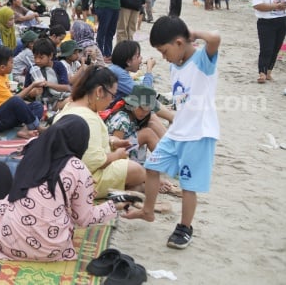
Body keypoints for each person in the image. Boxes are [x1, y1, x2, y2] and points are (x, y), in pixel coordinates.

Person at [124, 16, 221, 250]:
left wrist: (193, 32)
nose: (162, 56)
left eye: (164, 50)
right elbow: (181, 102)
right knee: (152, 166)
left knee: (188, 184)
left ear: (179, 43)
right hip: (178, 131)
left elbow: (216, 38)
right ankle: (148, 211)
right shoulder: (174, 65)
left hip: (197, 134)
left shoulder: (202, 60)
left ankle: (184, 228)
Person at [0, 114, 127, 261]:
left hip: (8, 244)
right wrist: (114, 206)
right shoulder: (78, 168)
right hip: (52, 250)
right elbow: (84, 219)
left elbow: (23, 186)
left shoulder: (33, 149)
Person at [52, 66, 146, 198]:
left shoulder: (71, 106)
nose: (111, 101)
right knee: (138, 172)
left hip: (63, 172)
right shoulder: (89, 118)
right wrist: (117, 155)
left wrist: (112, 142)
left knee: (137, 177)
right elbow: (93, 162)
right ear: (100, 91)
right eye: (112, 96)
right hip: (84, 179)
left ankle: (130, 189)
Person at [0, 46, 44, 138]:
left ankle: (24, 130)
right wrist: (32, 85)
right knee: (16, 101)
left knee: (37, 105)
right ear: (2, 67)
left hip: (3, 115)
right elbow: (14, 101)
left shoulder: (2, 75)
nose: (13, 65)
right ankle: (37, 127)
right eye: (11, 62)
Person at [105, 84, 161, 164]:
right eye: (142, 108)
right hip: (115, 156)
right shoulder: (122, 119)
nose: (145, 112)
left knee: (152, 125)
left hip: (125, 152)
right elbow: (114, 147)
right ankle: (166, 161)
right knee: (147, 133)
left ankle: (169, 157)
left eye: (149, 110)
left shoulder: (134, 117)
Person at [251, 0, 286, 84]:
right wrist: (275, 6)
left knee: (276, 48)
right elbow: (257, 5)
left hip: (281, 21)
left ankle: (269, 72)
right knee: (266, 48)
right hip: (266, 22)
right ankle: (262, 73)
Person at [23, 38, 70, 110]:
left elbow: (66, 87)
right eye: (35, 57)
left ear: (50, 56)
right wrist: (33, 92)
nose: (37, 61)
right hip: (39, 104)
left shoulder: (58, 66)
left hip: (57, 101)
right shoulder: (32, 69)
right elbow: (25, 91)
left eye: (41, 58)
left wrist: (48, 84)